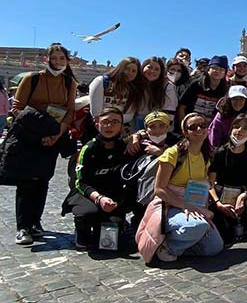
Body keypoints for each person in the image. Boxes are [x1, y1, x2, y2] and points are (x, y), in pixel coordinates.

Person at [10, 43, 77, 245]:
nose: (57, 62)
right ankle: (23, 226)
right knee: (26, 181)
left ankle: (36, 223)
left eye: (61, 59)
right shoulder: (32, 78)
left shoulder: (69, 83)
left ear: (67, 61)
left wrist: (57, 134)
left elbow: (70, 112)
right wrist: (37, 132)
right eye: (54, 58)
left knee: (42, 180)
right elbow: (17, 108)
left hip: (52, 137)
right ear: (46, 59)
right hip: (29, 136)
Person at [143, 112, 224, 262]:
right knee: (197, 227)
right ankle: (167, 247)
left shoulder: (205, 155)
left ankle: (183, 243)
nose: (199, 129)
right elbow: (159, 189)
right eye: (193, 127)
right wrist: (185, 206)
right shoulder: (173, 153)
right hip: (170, 205)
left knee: (215, 248)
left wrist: (203, 208)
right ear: (185, 132)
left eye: (203, 125)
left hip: (194, 204)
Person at [63, 107, 135, 251]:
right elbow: (80, 182)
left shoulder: (125, 147)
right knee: (88, 214)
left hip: (112, 196)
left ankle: (114, 224)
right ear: (97, 125)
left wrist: (137, 137)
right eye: (106, 122)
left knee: (110, 236)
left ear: (122, 126)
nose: (110, 126)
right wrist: (99, 198)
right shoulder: (88, 149)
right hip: (87, 194)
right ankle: (81, 231)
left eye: (115, 122)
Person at [209, 114, 247, 245]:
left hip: (245, 194)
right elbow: (210, 183)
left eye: (245, 128)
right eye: (236, 126)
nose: (239, 131)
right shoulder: (220, 152)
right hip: (223, 196)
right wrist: (218, 203)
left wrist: (243, 196)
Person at [89, 57, 143, 132]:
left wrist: (114, 123)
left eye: (134, 71)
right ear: (120, 68)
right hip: (99, 127)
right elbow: (96, 112)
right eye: (127, 69)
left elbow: (130, 115)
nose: (130, 73)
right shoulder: (101, 81)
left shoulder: (134, 90)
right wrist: (111, 122)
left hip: (120, 129)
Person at [178, 55, 229, 121]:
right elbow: (182, 106)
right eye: (215, 68)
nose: (217, 71)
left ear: (225, 73)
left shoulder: (225, 90)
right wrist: (183, 126)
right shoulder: (196, 85)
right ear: (208, 70)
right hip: (191, 125)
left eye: (221, 70)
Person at [136, 56, 178, 129]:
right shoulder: (136, 84)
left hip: (156, 127)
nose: (152, 71)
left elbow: (169, 113)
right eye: (150, 67)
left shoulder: (167, 87)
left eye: (157, 69)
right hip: (134, 125)